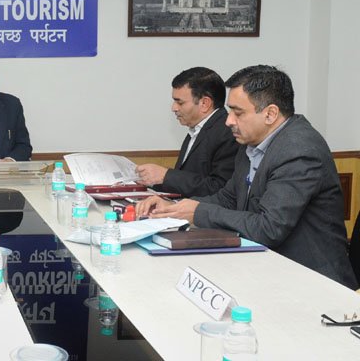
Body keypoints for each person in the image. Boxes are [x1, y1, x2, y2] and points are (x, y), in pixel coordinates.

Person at [137, 65, 356, 288]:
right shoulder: (250, 143)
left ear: (270, 114)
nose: (228, 120)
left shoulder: (299, 150)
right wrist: (175, 207)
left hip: (313, 282)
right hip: (267, 268)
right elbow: (229, 198)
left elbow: (268, 228)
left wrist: (198, 212)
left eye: (238, 112)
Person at [136, 67, 239, 197]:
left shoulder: (228, 132)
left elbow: (219, 188)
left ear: (204, 103)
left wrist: (166, 176)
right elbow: (188, 179)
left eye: (180, 102)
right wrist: (152, 180)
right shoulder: (197, 129)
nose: (174, 108)